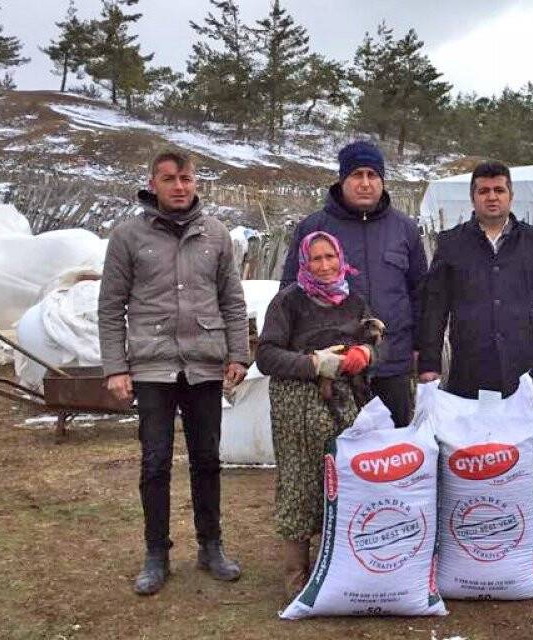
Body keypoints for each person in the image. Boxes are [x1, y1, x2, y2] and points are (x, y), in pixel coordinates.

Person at [98, 150, 249, 596]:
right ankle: (155, 553)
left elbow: (232, 301)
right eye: (169, 179)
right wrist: (115, 367)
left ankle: (211, 546)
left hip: (204, 363)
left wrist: (238, 354)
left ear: (195, 181)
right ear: (153, 182)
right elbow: (111, 307)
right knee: (155, 461)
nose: (179, 187)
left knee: (207, 459)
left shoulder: (215, 234)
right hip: (153, 366)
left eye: (186, 178)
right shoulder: (128, 236)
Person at [418, 160, 533, 561]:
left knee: (529, 451)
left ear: (510, 195)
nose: (492, 197)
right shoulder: (452, 243)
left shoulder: (532, 240)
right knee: (471, 452)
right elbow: (435, 307)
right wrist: (430, 363)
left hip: (522, 369)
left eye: (498, 190)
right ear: (473, 197)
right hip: (472, 368)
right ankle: (468, 528)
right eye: (484, 191)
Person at [258, 231, 382, 597]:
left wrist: (367, 355)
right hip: (298, 406)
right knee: (301, 484)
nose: (325, 266)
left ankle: (341, 568)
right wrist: (314, 363)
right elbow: (266, 356)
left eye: (331, 257)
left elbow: (376, 342)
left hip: (348, 401)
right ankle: (298, 581)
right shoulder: (288, 302)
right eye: (317, 259)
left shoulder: (354, 300)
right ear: (304, 263)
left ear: (341, 259)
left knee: (346, 481)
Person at [280, 140, 426, 427]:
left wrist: (421, 345)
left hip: (391, 362)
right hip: (334, 366)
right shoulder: (314, 228)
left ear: (382, 181)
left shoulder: (404, 229)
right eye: (356, 175)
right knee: (338, 453)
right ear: (342, 179)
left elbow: (421, 293)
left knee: (392, 452)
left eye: (372, 176)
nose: (365, 183)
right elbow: (289, 293)